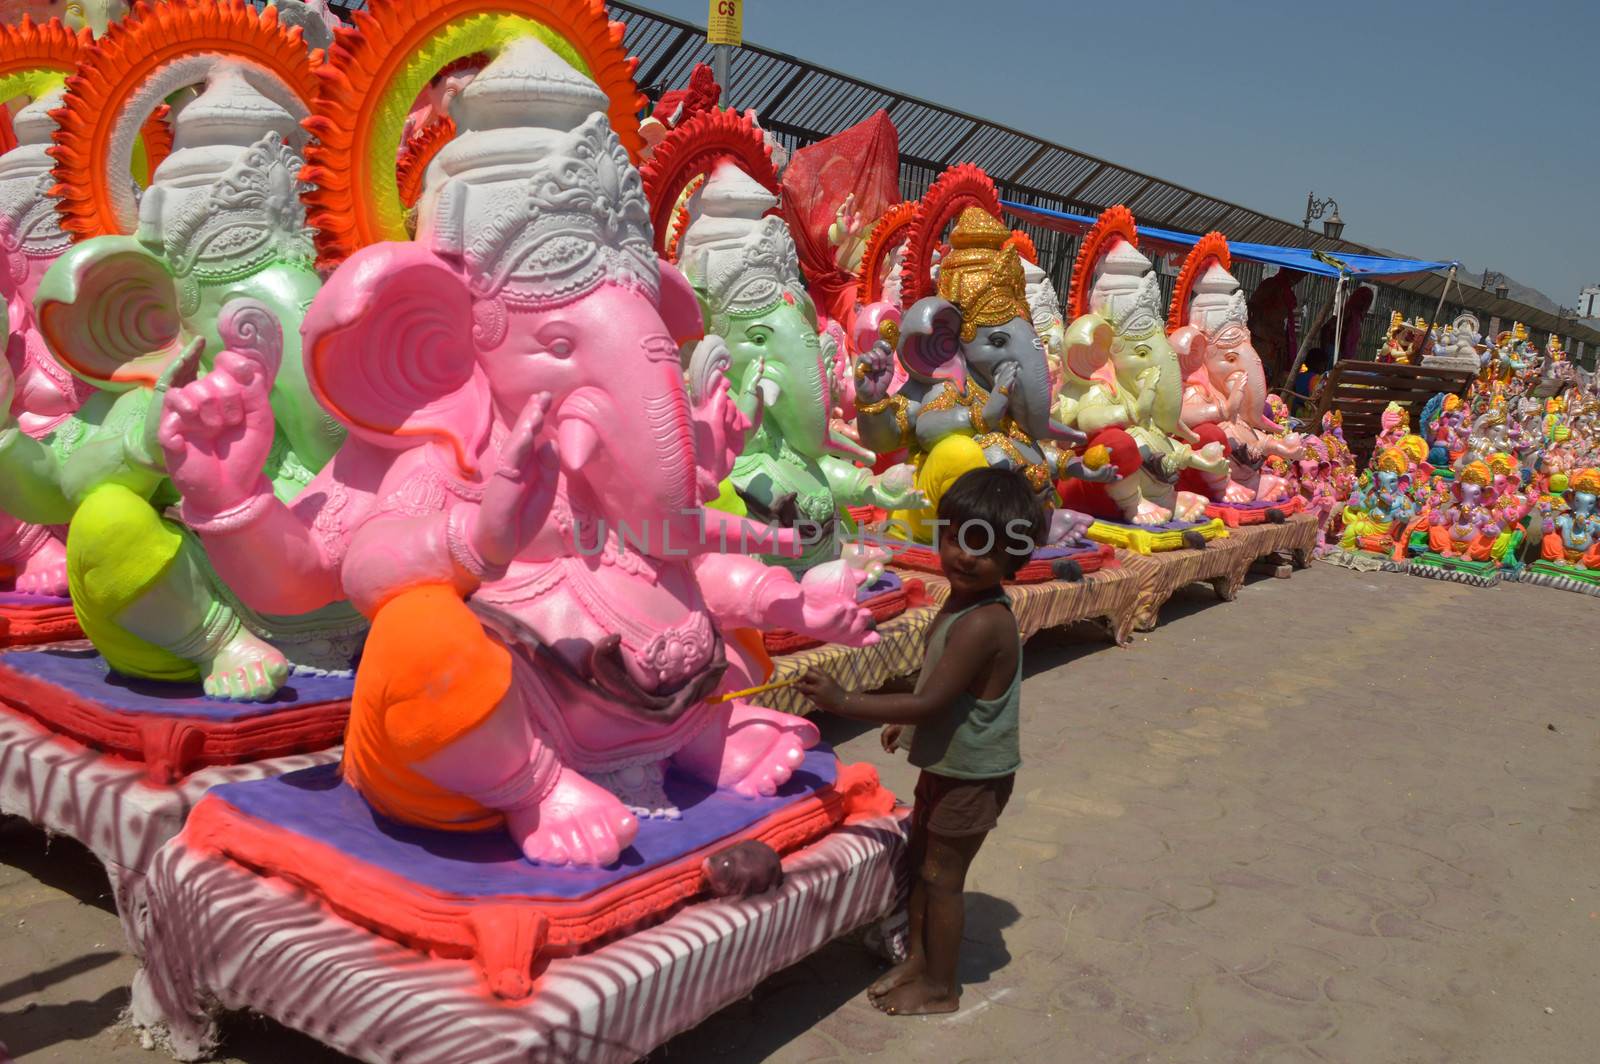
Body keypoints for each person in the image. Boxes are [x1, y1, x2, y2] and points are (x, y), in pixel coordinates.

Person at [797, 466, 1043, 1016]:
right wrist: (905, 722)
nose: (964, 555)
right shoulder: (960, 602)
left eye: (986, 547)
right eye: (958, 536)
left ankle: (942, 986)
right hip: (948, 766)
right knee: (923, 864)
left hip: (973, 778)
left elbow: (931, 702)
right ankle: (918, 961)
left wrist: (844, 702)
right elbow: (938, 685)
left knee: (943, 878)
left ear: (1014, 559)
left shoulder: (985, 622)